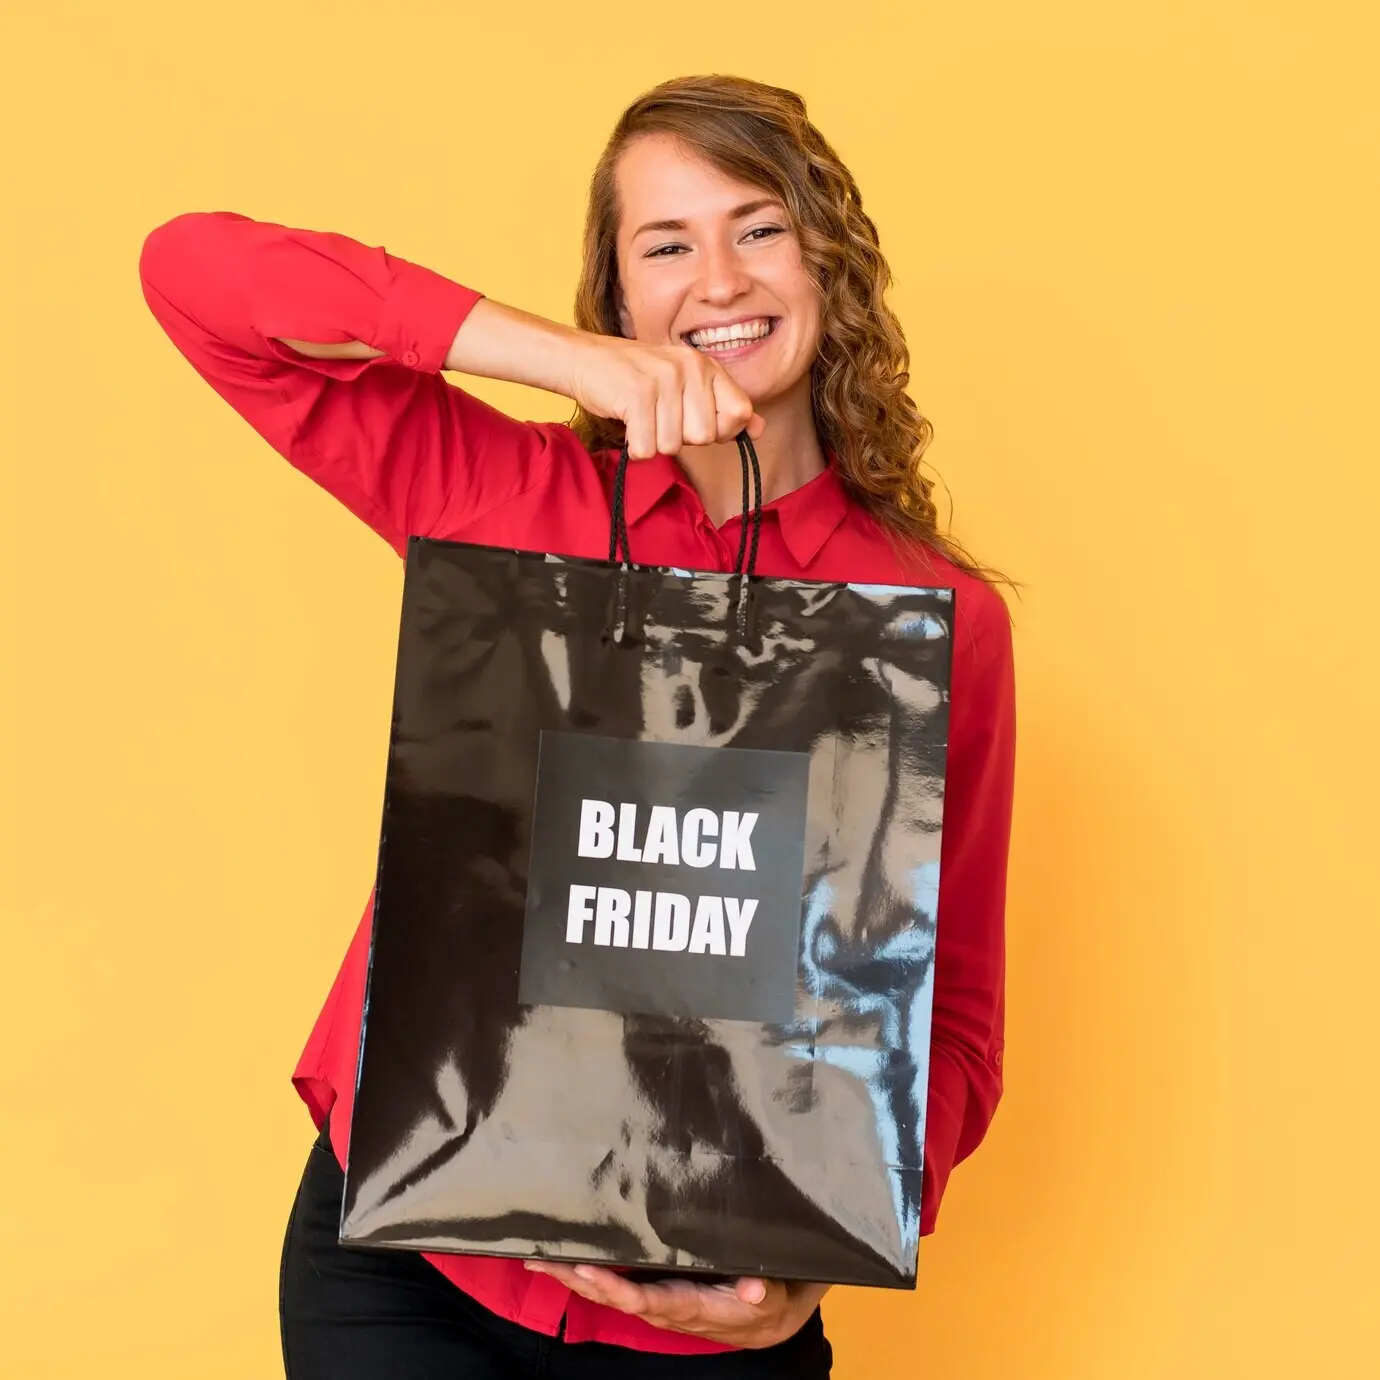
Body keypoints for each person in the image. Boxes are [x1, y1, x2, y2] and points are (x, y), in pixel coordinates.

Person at [139, 72, 1015, 1380]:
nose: (718, 278)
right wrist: (564, 362)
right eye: (665, 247)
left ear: (828, 262)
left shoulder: (933, 619)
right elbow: (192, 276)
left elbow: (956, 1026)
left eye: (757, 226)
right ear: (618, 298)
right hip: (404, 1276)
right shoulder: (503, 500)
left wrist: (823, 1258)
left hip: (711, 1314)